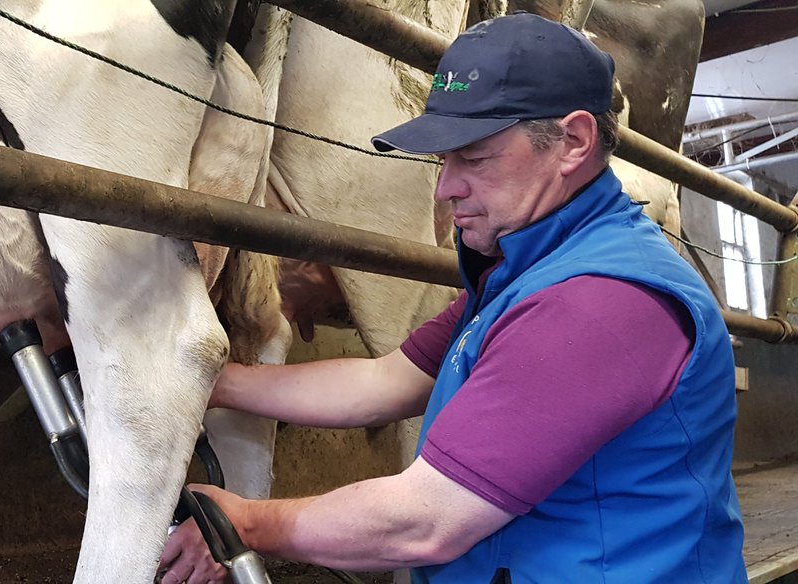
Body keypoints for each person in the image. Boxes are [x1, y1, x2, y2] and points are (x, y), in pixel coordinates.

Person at [157, 12, 747, 584]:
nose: (445, 187)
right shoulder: (525, 272)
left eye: (474, 156)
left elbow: (425, 522)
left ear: (572, 141)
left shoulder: (599, 303)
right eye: (444, 158)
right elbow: (386, 384)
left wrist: (248, 522)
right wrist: (208, 380)